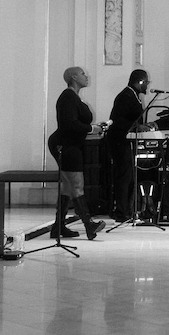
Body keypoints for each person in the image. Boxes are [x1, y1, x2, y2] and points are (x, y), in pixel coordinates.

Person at [46, 66, 105, 240]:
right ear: (73, 77)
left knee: (67, 187)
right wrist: (91, 128)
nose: (86, 76)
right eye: (82, 74)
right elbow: (70, 124)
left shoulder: (73, 97)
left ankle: (58, 227)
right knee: (77, 185)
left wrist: (93, 128)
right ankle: (89, 225)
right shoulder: (68, 97)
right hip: (65, 145)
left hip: (71, 145)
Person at [105, 68, 148, 220]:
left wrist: (142, 126)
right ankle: (121, 211)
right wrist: (136, 127)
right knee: (124, 176)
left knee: (128, 176)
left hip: (127, 141)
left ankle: (128, 209)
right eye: (146, 82)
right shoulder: (125, 96)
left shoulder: (134, 95)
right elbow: (117, 120)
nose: (147, 85)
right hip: (119, 141)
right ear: (139, 82)